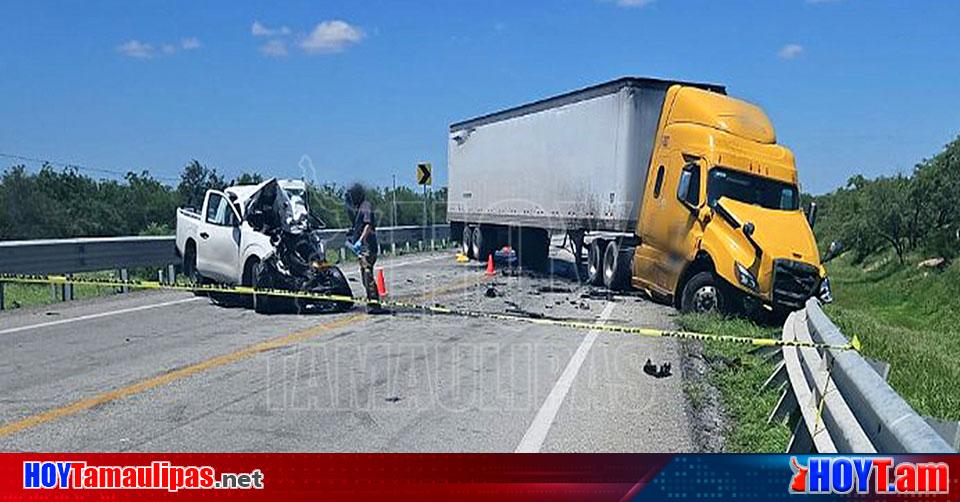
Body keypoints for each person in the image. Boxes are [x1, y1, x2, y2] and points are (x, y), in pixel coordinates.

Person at [346, 183, 387, 314]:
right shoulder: (359, 208)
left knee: (367, 275)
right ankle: (372, 301)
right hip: (363, 248)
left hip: (368, 247)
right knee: (365, 275)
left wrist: (360, 240)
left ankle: (374, 304)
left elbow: (368, 225)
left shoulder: (366, 206)